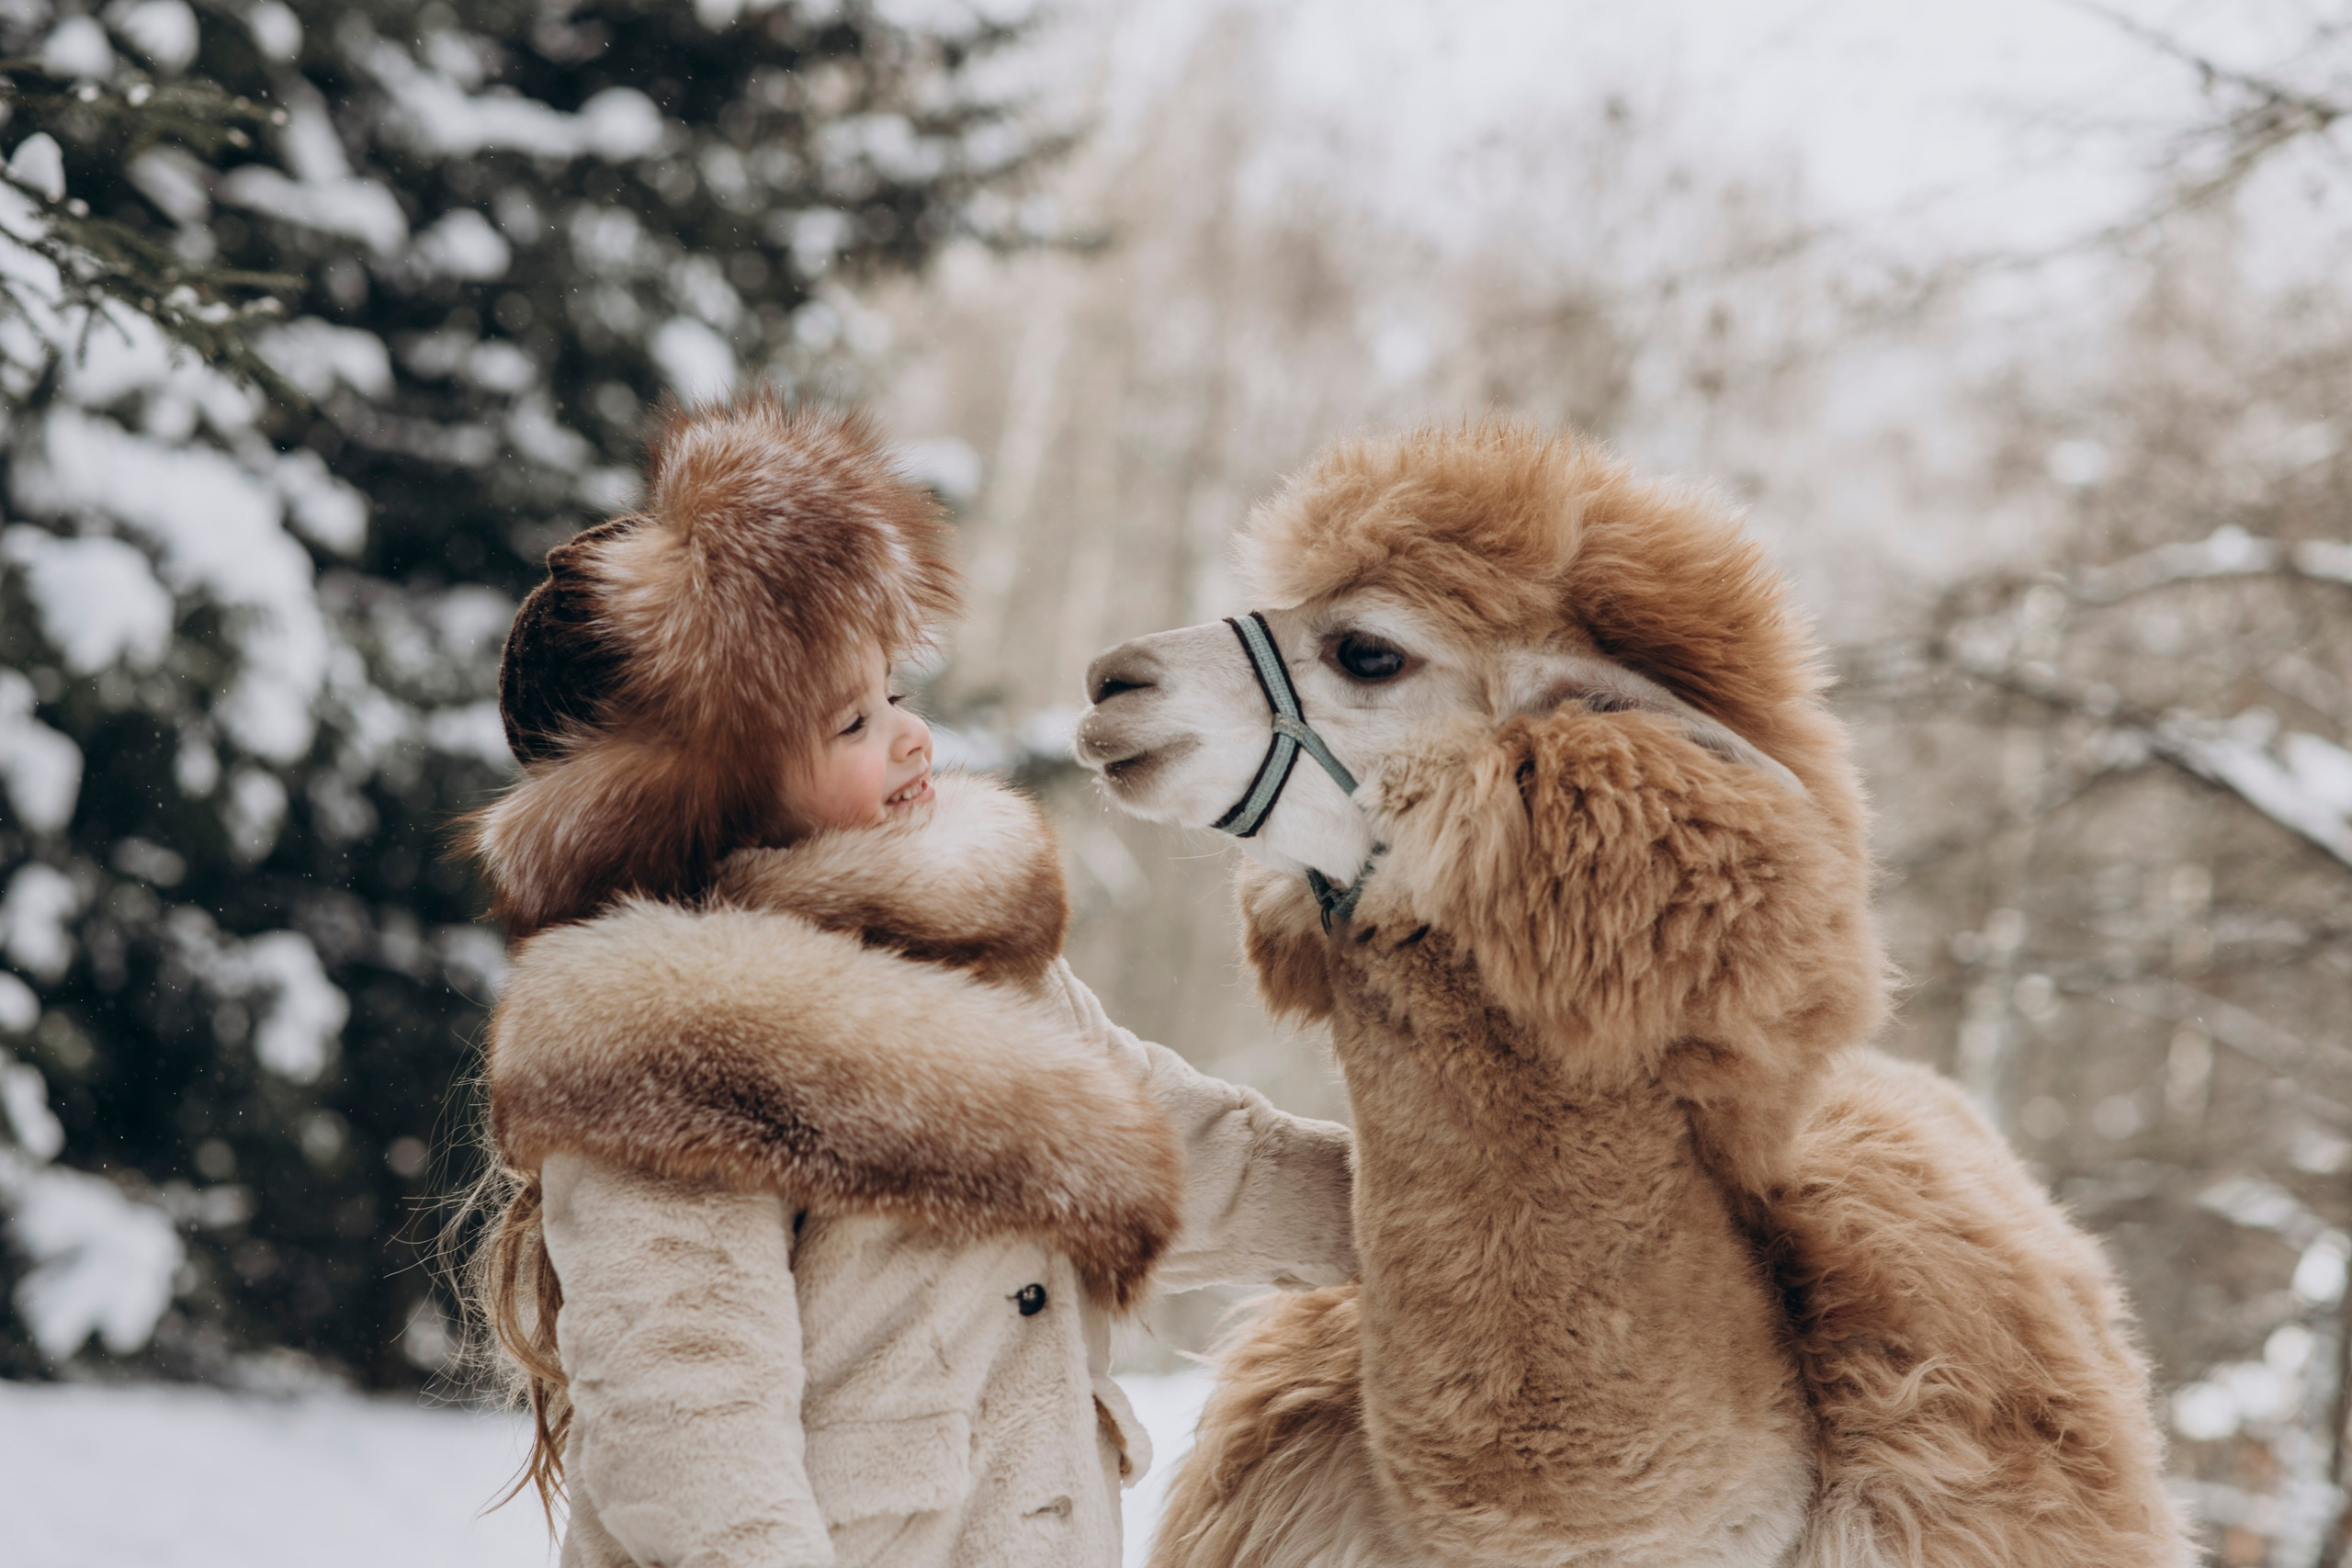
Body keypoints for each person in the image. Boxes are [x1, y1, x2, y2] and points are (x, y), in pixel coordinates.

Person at [458, 394, 1356, 1568]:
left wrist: (1441, 1215)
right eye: (850, 723)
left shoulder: (981, 966)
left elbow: (1189, 1153)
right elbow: (686, 1414)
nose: (910, 736)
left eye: (897, 697)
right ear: (707, 796)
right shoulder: (669, 1046)